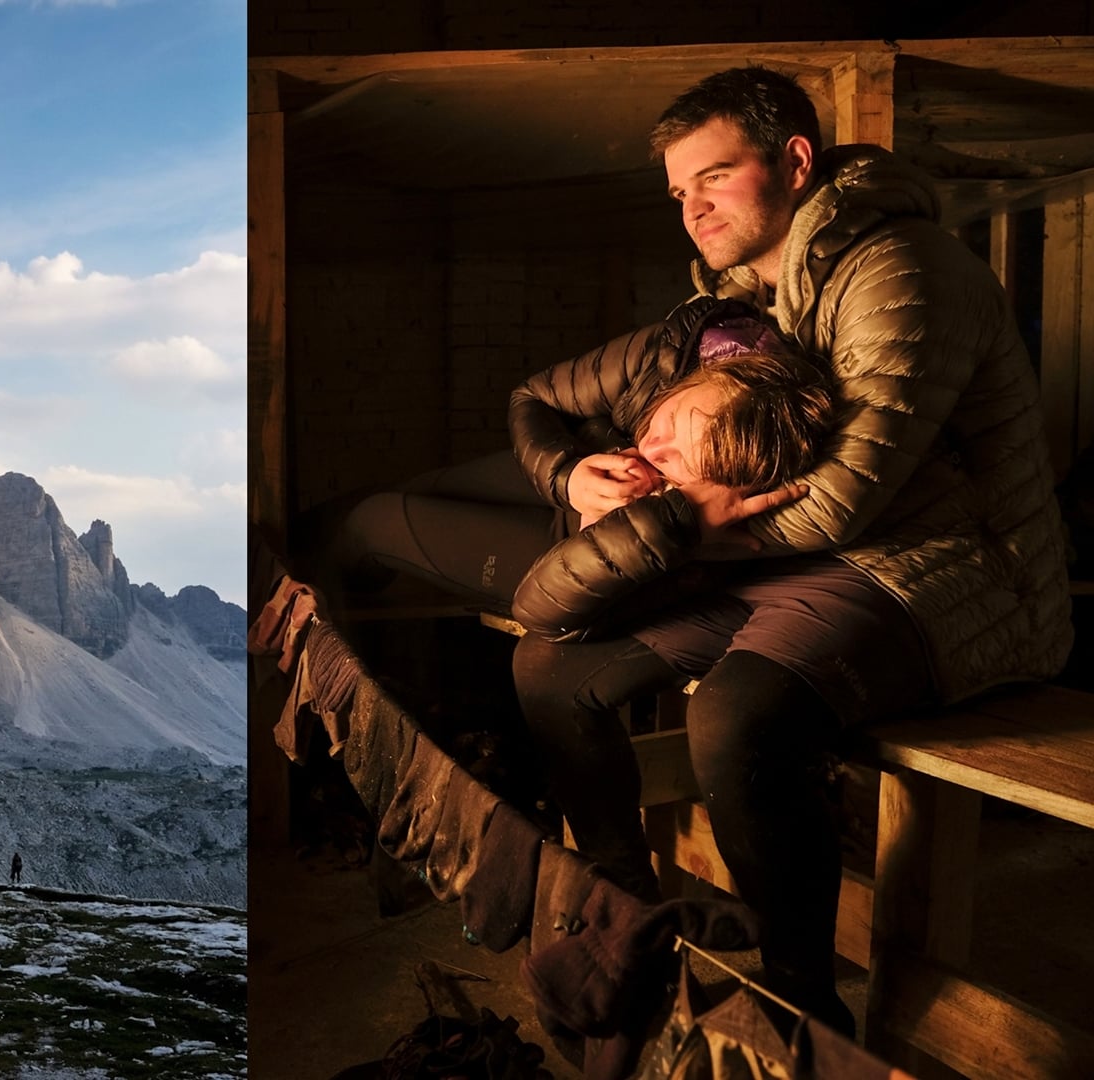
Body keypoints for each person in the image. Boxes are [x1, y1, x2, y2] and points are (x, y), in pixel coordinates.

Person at [510, 66, 1072, 1032]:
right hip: (805, 566)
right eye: (680, 191)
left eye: (714, 177)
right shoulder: (756, 294)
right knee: (552, 668)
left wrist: (668, 537)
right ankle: (624, 915)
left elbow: (839, 502)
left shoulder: (901, 270)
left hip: (947, 574)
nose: (692, 207)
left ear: (796, 162)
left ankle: (799, 1006)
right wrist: (607, 486)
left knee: (736, 714)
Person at [328, 295, 827, 621]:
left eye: (676, 465)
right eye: (671, 421)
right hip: (578, 467)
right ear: (695, 380)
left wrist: (649, 525)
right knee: (407, 489)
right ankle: (302, 566)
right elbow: (533, 395)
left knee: (373, 520)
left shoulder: (747, 489)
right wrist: (567, 476)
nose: (652, 448)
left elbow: (566, 605)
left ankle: (312, 593)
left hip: (585, 547)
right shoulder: (683, 349)